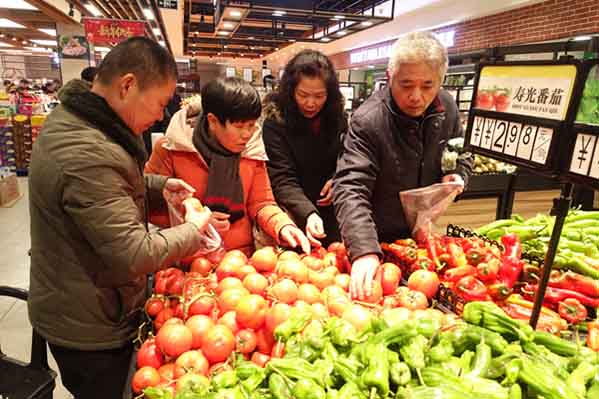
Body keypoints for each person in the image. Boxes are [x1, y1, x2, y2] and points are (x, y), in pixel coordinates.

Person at [28, 37, 212, 398]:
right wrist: (194, 230)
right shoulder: (87, 149)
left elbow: (105, 187)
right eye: (159, 104)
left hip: (81, 302)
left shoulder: (81, 120)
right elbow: (133, 252)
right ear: (127, 85)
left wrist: (160, 187)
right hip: (89, 326)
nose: (161, 116)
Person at [333, 31, 473, 299]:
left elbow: (462, 151)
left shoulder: (448, 108)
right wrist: (363, 250)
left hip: (421, 236)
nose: (416, 96)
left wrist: (457, 173)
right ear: (390, 76)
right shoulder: (368, 121)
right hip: (377, 233)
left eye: (428, 86)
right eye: (406, 85)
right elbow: (350, 187)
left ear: (441, 81)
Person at [145, 77, 311, 256]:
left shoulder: (251, 151)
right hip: (186, 260)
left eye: (251, 125)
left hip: (241, 262)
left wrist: (282, 225)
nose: (247, 134)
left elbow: (261, 202)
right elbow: (149, 205)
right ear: (213, 121)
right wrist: (195, 222)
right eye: (239, 126)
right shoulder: (173, 148)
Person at [262, 49, 347, 248]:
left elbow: (349, 156)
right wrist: (307, 213)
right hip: (293, 212)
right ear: (291, 91)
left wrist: (339, 177)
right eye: (303, 95)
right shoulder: (276, 121)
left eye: (319, 96)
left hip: (334, 211)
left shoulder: (338, 117)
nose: (311, 103)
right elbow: (282, 177)